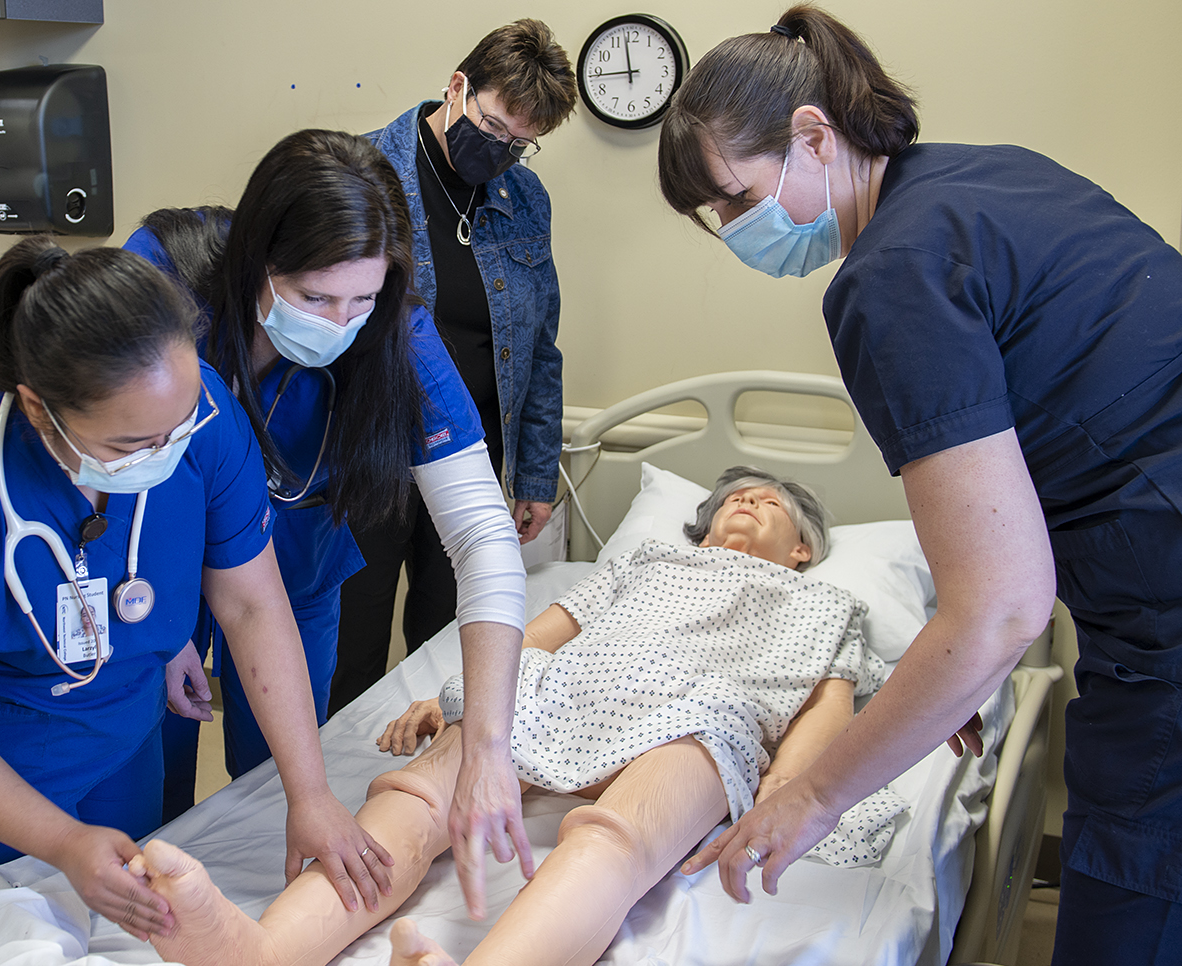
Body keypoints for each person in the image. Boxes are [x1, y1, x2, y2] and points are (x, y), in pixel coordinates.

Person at [654, 8, 1182, 965]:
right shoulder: (992, 175)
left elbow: (1000, 605)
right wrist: (950, 671)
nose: (733, 233)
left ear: (814, 135)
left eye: (735, 200)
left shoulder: (891, 278)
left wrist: (811, 796)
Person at [117, 468, 894, 966]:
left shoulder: (828, 604)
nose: (749, 503)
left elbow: (824, 710)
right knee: (422, 793)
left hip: (704, 713)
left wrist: (785, 797)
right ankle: (258, 952)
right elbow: (542, 631)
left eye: (772, 503)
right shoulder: (646, 563)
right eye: (734, 497)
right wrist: (464, 694)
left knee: (614, 838)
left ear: (803, 550)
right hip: (573, 683)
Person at [0, 237, 394, 937]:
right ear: (40, 410)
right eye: (131, 446)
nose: (169, 454)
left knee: (127, 938)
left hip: (123, 737)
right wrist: (63, 842)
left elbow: (253, 603)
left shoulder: (202, 414)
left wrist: (309, 792)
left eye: (179, 428)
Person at [122, 129, 532, 913]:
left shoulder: (395, 334)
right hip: (154, 571)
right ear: (258, 260)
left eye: (363, 298)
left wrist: (486, 745)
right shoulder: (166, 280)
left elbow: (483, 538)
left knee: (276, 780)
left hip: (294, 570)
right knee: (148, 797)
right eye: (314, 298)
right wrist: (163, 619)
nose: (340, 321)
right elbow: (89, 442)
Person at [332, 20, 578, 714]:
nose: (500, 151)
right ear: (458, 86)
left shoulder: (524, 200)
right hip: (370, 458)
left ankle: (430, 783)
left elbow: (540, 345)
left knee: (447, 648)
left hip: (470, 457)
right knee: (350, 646)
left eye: (520, 144)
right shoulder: (363, 175)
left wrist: (532, 473)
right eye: (494, 126)